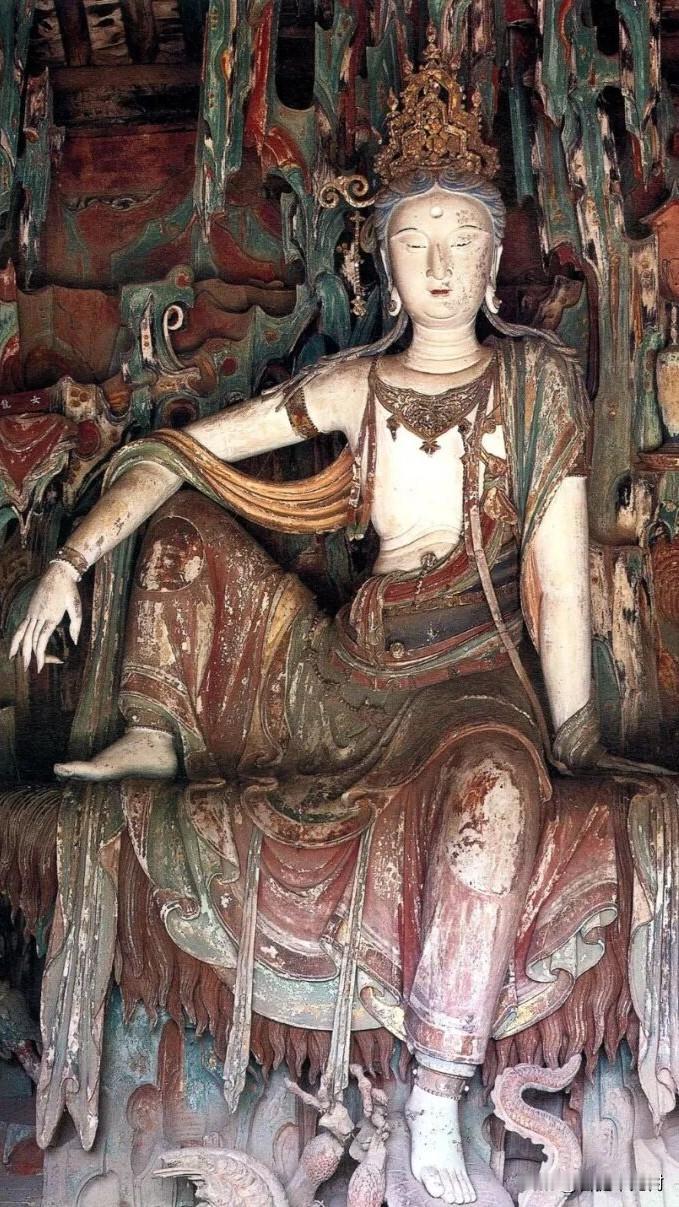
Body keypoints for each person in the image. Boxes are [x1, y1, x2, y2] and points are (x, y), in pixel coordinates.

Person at [11, 38, 594, 1206]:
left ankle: (435, 1088)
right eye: (416, 241)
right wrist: (69, 560)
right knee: (187, 518)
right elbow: (176, 455)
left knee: (490, 797)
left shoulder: (536, 386)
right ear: (384, 264)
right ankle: (155, 736)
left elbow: (562, 589)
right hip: (342, 671)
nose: (440, 264)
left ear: (493, 261)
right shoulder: (353, 386)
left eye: (462, 239)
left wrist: (575, 749)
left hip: (468, 680)